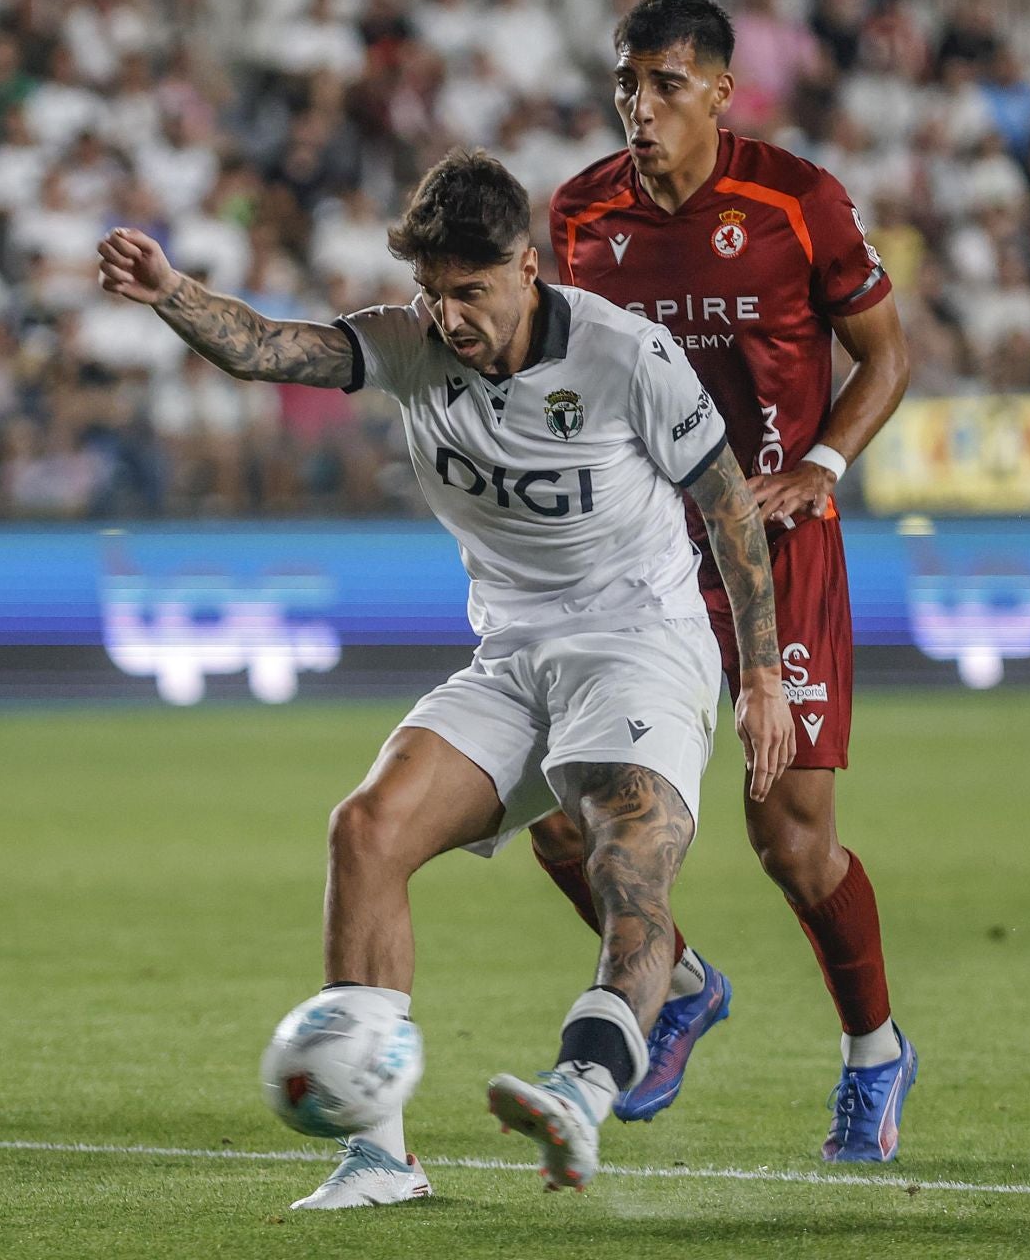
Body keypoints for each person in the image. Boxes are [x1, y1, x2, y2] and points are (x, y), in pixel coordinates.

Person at [98, 150, 792, 1206]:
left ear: (528, 265)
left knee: (623, 855)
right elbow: (271, 350)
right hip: (513, 651)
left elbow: (729, 503)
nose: (449, 315)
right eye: (432, 291)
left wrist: (764, 674)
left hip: (640, 637)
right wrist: (170, 293)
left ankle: (582, 1089)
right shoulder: (410, 344)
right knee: (365, 829)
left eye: (470, 291)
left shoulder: (625, 355)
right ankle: (380, 1152)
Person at [544, 0, 917, 1162]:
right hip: (645, 559)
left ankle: (874, 1050)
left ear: (720, 90)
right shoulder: (578, 216)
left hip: (776, 549)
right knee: (565, 815)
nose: (638, 107)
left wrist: (819, 462)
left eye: (663, 84)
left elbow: (886, 353)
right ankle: (686, 981)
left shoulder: (796, 201)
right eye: (626, 83)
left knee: (791, 842)